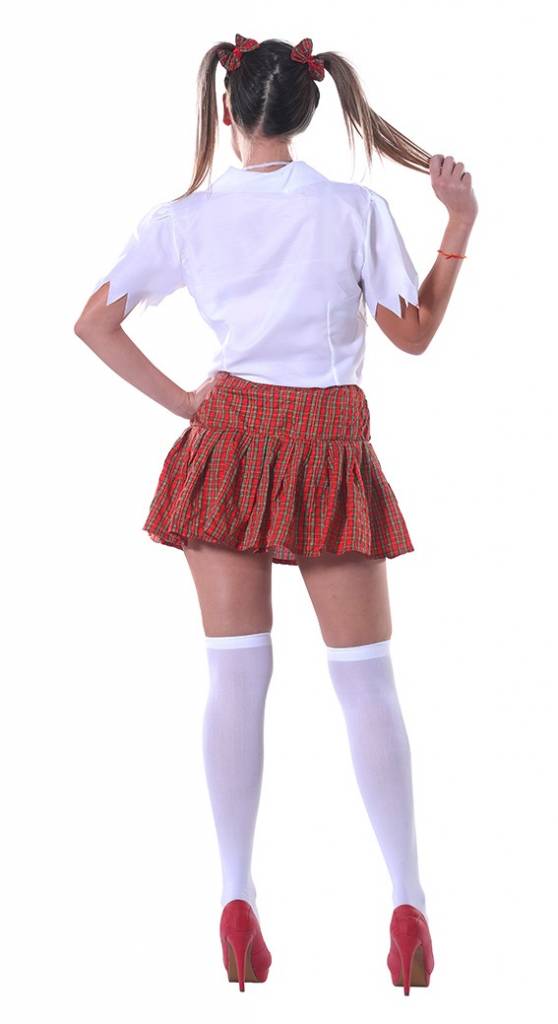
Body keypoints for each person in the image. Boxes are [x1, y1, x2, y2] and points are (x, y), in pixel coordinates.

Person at [74, 34, 478, 996]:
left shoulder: (184, 219)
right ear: (308, 112)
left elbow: (93, 322)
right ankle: (407, 899)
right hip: (328, 442)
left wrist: (188, 404)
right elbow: (414, 335)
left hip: (226, 443)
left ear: (228, 111)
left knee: (236, 675)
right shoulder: (355, 210)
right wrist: (459, 225)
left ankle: (233, 893)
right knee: (366, 682)